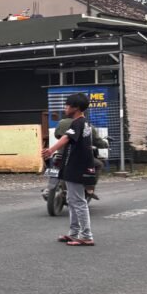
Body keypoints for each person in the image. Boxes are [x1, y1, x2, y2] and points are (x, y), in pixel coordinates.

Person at [41, 92, 96, 246]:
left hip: (78, 167)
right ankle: (74, 232)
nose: (65, 107)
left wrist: (50, 150)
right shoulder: (83, 123)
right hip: (75, 165)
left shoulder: (78, 123)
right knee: (72, 200)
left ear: (76, 107)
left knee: (78, 201)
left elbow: (66, 138)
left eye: (67, 105)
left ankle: (86, 235)